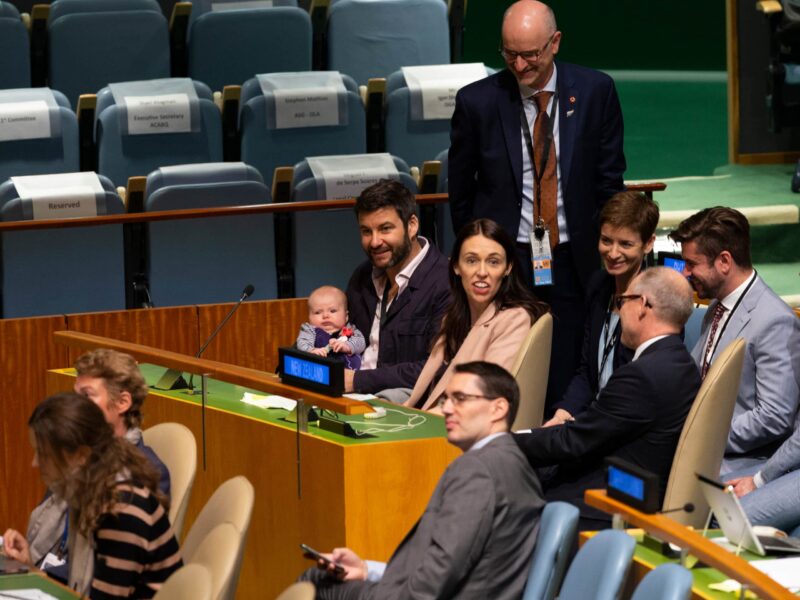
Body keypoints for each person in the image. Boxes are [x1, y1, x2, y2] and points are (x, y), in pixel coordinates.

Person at [447, 0, 626, 413]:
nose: (520, 65)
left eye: (531, 53)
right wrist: (479, 253)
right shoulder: (478, 102)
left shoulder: (596, 91)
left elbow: (609, 179)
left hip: (574, 256)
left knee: (570, 366)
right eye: (510, 54)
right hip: (509, 259)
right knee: (508, 370)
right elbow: (461, 190)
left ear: (555, 43)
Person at [299, 361, 545, 599]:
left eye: (460, 399)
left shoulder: (478, 470)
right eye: (445, 399)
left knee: (313, 582)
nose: (447, 408)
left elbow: (439, 574)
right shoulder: (513, 461)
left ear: (498, 408)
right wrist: (368, 570)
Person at [515, 267, 700, 531]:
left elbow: (573, 441)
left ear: (643, 305)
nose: (618, 311)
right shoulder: (683, 364)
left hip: (617, 497)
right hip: (634, 486)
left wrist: (504, 439)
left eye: (622, 302)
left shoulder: (642, 375)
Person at [4, 393, 182, 599]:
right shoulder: (88, 489)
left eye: (43, 453)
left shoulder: (120, 510)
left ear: (81, 455)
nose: (35, 462)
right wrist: (31, 569)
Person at [669, 207, 800, 475]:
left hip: (743, 461)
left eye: (692, 264)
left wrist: (701, 438)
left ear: (724, 261)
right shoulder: (718, 305)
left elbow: (774, 417)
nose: (685, 273)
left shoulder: (775, 321)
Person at [24, 349, 170, 577]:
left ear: (122, 402)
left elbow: (112, 568)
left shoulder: (143, 473)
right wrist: (25, 560)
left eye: (87, 396)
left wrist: (37, 573)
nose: (76, 406)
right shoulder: (77, 454)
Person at [404, 219, 548, 412]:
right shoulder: (454, 315)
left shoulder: (514, 318)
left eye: (493, 262)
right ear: (456, 266)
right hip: (429, 421)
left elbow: (482, 397)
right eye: (471, 261)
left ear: (508, 268)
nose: (482, 272)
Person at [545, 191, 658, 426]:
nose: (613, 253)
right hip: (591, 418)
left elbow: (641, 395)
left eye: (625, 244)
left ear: (648, 244)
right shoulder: (598, 286)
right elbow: (587, 371)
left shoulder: (658, 303)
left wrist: (586, 427)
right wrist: (564, 412)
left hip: (626, 428)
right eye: (606, 240)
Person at [345, 179, 450, 396]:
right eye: (366, 231)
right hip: (351, 396)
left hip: (404, 405)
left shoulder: (445, 282)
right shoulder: (362, 276)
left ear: (411, 225)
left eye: (385, 229)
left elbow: (437, 369)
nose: (374, 242)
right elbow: (344, 335)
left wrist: (358, 381)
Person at [296, 285, 366, 370]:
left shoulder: (350, 330)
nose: (325, 316)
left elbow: (361, 343)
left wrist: (347, 346)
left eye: (332, 311)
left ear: (346, 316)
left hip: (351, 374)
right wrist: (311, 351)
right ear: (309, 317)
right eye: (317, 312)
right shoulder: (309, 330)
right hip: (321, 371)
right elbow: (302, 343)